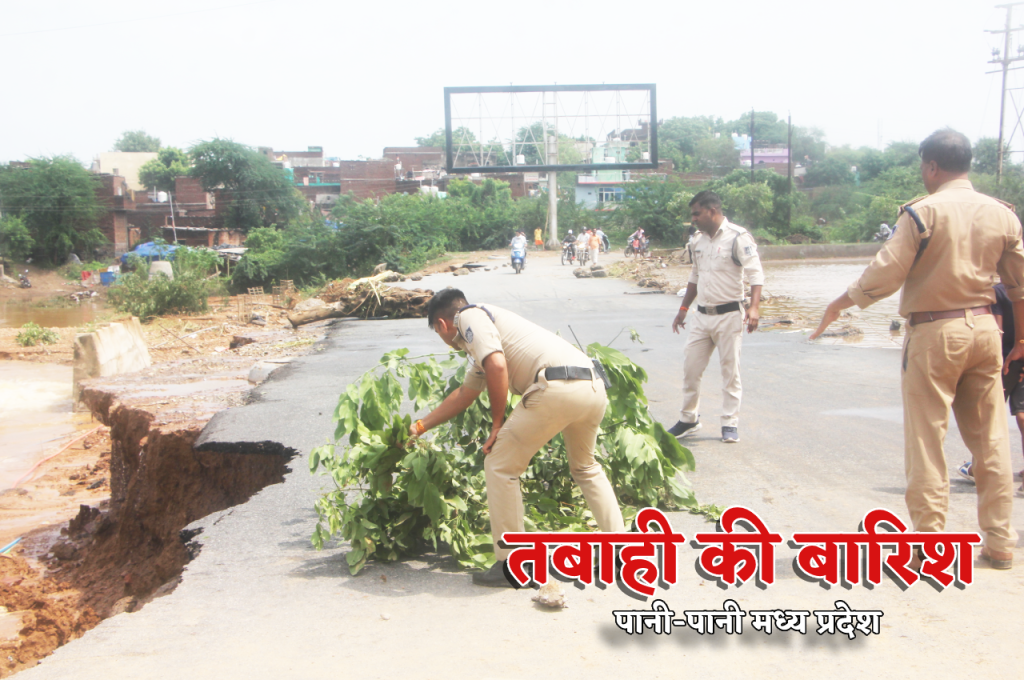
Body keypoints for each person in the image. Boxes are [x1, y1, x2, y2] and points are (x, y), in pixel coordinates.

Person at [810, 128, 1024, 571]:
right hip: (986, 330)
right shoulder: (1002, 214)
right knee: (992, 441)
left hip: (935, 332)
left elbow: (884, 275)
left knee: (927, 438)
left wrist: (839, 303)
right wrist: (1021, 340)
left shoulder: (922, 213)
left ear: (931, 166)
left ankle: (930, 543)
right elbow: (1020, 285)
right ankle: (1001, 542)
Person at [409, 289, 625, 586]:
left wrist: (497, 424)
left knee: (499, 464)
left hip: (556, 387)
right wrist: (420, 427)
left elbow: (497, 366)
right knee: (585, 467)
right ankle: (619, 552)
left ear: (441, 325)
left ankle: (513, 563)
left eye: (436, 331)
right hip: (592, 387)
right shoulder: (484, 336)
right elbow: (465, 394)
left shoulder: (468, 316)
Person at [667, 191, 763, 443]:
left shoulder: (738, 237)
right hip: (701, 316)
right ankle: (689, 419)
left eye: (696, 213)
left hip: (729, 315)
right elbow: (694, 277)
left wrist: (754, 308)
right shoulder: (697, 241)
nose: (693, 219)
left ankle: (729, 423)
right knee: (691, 368)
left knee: (730, 371)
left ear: (712, 211)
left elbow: (756, 274)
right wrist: (684, 308)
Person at [957, 282, 1024, 495]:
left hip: (1005, 362)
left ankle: (981, 469)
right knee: (1022, 415)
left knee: (988, 415)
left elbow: (997, 331)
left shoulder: (999, 291)